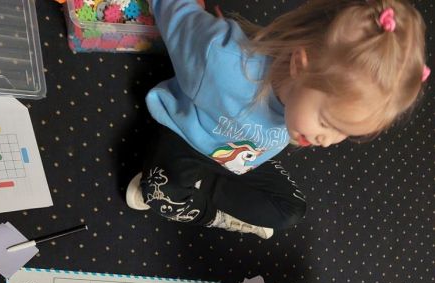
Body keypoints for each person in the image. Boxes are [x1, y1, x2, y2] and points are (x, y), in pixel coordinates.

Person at [126, 0, 430, 239]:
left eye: (345, 133)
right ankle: (211, 210)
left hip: (239, 158)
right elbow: (174, 11)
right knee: (159, 195)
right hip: (187, 139)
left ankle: (204, 188)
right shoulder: (220, 60)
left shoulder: (302, 110)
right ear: (300, 64)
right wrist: (193, 15)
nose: (327, 142)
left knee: (291, 211)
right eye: (327, 122)